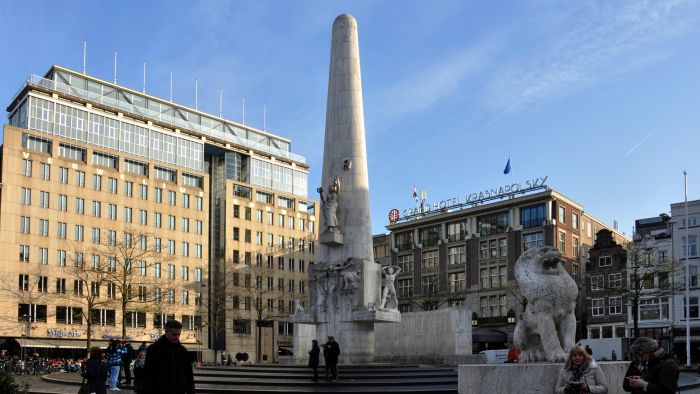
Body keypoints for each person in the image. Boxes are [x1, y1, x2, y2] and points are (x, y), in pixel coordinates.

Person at [144, 320, 195, 394]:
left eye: (178, 334)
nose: (177, 337)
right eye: (174, 334)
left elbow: (189, 374)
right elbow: (147, 374)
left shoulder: (183, 351)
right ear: (166, 332)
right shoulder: (153, 349)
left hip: (180, 391)